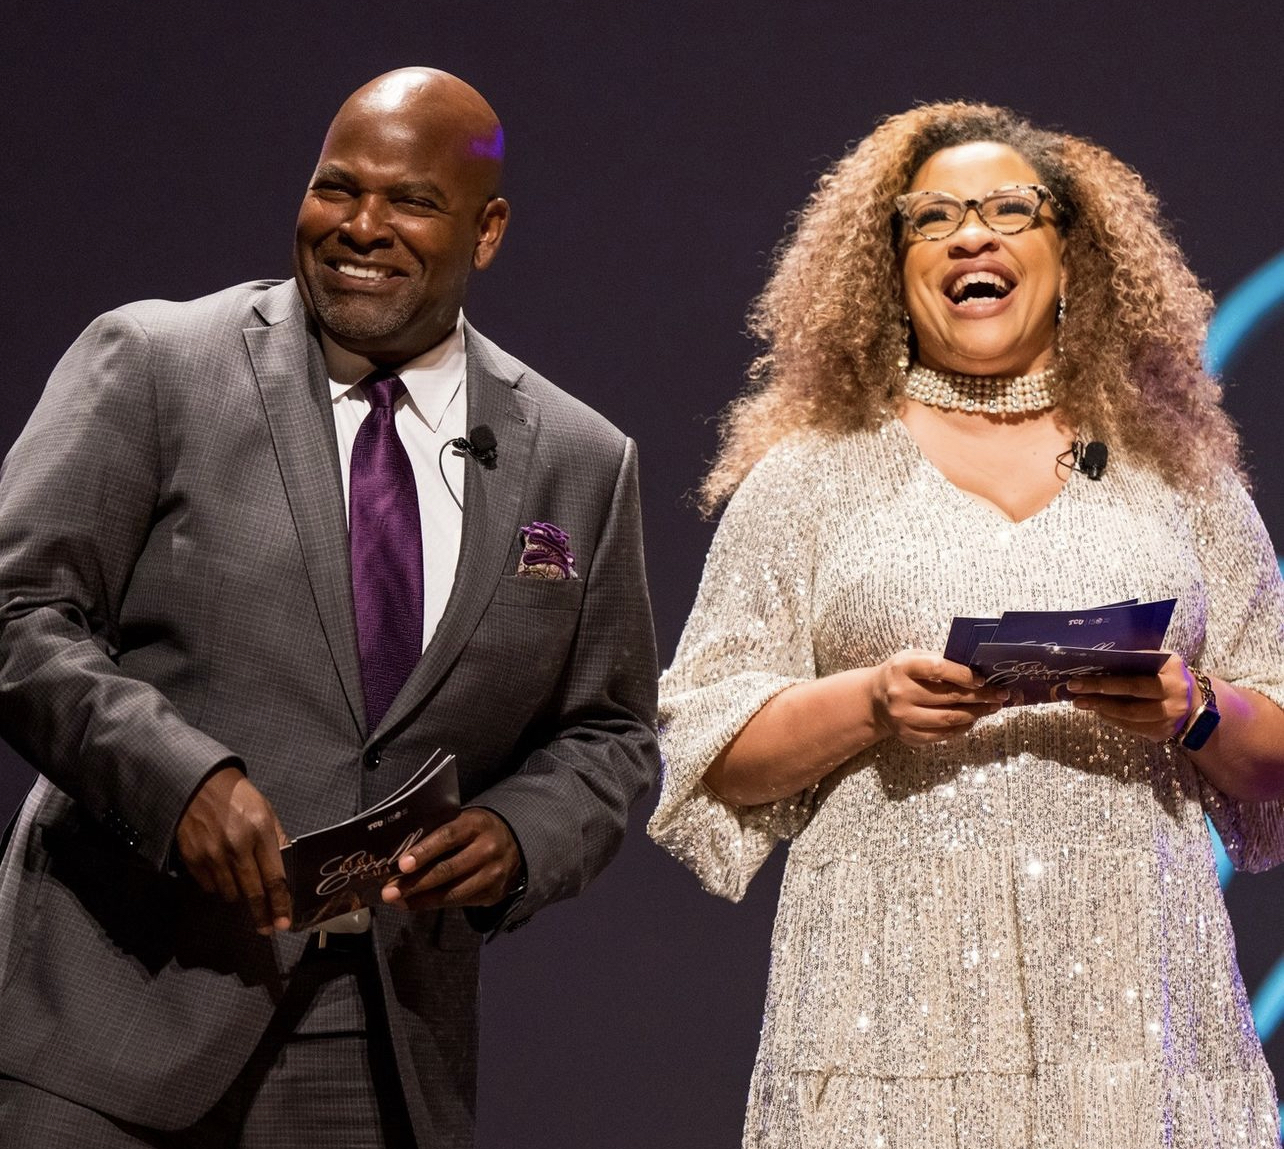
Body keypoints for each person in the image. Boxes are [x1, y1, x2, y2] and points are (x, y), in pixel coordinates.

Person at [0, 67, 658, 1147]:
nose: (362, 226)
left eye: (411, 202)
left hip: (375, 1041)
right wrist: (181, 781)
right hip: (110, 1006)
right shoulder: (158, 364)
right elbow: (20, 610)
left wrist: (518, 833)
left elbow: (612, 729)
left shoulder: (582, 461)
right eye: (335, 188)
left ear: (486, 231)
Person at [648, 101, 1284, 1148]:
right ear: (889, 269)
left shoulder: (1179, 475)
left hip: (1135, 1017)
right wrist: (870, 700)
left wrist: (1193, 706)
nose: (970, 236)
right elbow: (713, 753)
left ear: (1070, 254)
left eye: (1006, 211)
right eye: (931, 219)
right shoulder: (809, 476)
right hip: (885, 1018)